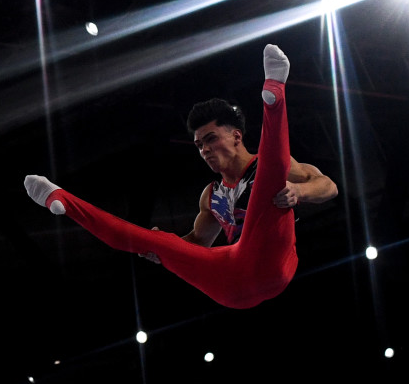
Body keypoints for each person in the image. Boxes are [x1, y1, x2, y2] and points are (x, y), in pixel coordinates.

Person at [23, 44, 338, 309]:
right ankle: (61, 199)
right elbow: (198, 243)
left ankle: (275, 94)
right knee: (155, 238)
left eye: (211, 139)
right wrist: (161, 250)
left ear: (237, 136)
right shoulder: (209, 195)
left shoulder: (266, 164)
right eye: (199, 145)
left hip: (273, 263)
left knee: (271, 176)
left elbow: (329, 186)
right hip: (229, 285)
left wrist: (298, 191)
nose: (204, 150)